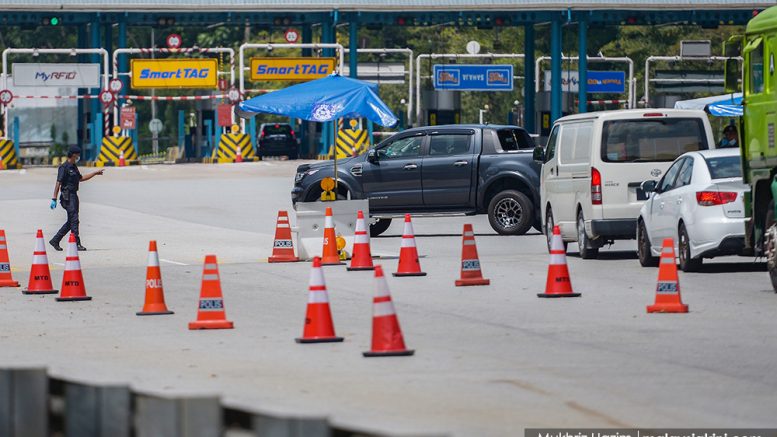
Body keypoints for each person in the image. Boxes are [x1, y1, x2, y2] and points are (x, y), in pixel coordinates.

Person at [49, 146, 104, 251]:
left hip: (74, 196)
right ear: (74, 154)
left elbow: (81, 178)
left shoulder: (74, 166)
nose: (79, 156)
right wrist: (54, 198)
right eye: (78, 154)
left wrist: (94, 173)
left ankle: (55, 240)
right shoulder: (64, 167)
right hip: (67, 197)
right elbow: (58, 182)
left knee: (71, 221)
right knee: (74, 220)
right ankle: (76, 244)